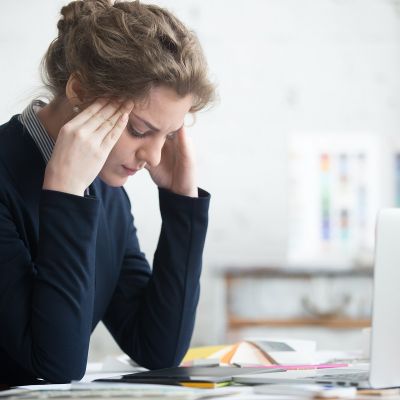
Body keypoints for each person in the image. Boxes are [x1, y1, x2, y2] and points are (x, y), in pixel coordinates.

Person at [0, 0, 215, 385]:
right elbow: (54, 367)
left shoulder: (105, 188)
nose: (152, 156)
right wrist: (64, 195)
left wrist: (183, 202)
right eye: (138, 129)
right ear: (80, 89)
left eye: (167, 135)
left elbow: (157, 348)